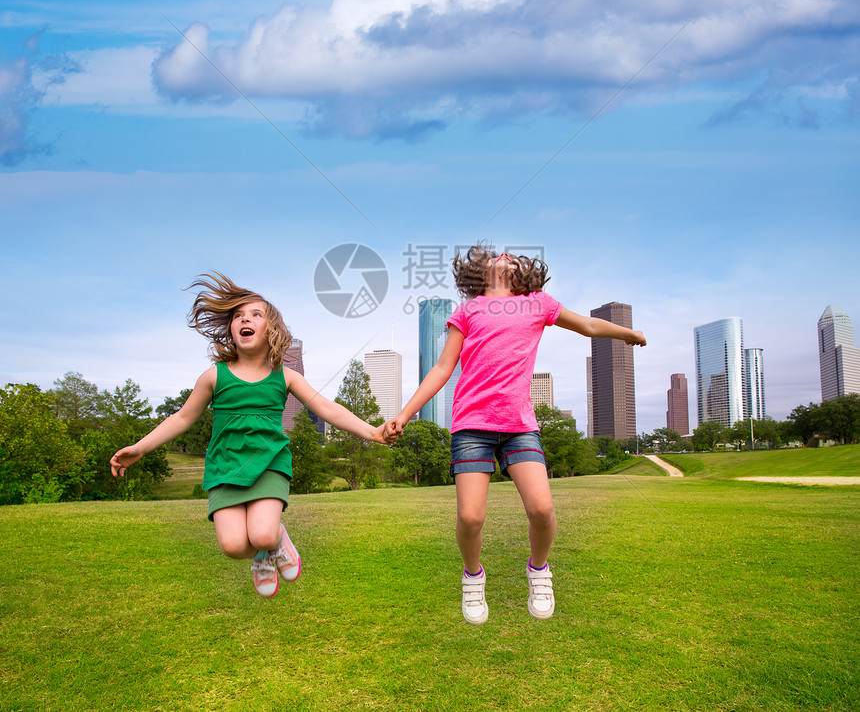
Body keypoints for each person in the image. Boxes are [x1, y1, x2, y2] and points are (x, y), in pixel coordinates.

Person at [388, 245, 646, 624]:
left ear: (520, 270)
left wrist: (628, 334)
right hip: (472, 426)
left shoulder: (537, 303)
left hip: (519, 426)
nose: (504, 254)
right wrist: (405, 415)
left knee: (542, 509)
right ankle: (473, 576)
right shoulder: (468, 310)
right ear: (480, 271)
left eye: (510, 254)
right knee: (471, 518)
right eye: (495, 255)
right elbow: (444, 367)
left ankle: (539, 570)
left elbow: (589, 326)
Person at [111, 272, 396, 598]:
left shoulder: (284, 377)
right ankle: (262, 553)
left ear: (270, 329)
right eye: (238, 316)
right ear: (232, 329)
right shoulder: (213, 377)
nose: (245, 319)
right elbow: (182, 418)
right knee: (233, 545)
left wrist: (372, 432)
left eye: (255, 315)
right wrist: (140, 448)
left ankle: (272, 542)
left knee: (262, 534)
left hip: (269, 462)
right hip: (225, 467)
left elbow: (327, 409)